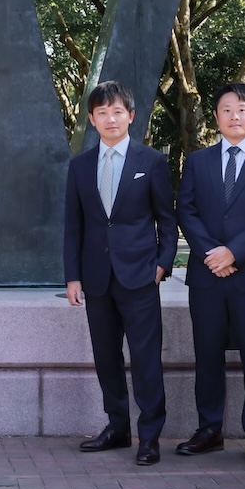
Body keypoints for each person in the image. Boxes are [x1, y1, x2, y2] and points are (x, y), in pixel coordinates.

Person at [64, 80, 178, 467]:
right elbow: (74, 225)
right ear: (92, 119)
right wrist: (73, 276)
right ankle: (117, 427)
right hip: (97, 278)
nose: (110, 118)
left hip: (140, 277)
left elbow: (167, 220)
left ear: (130, 116)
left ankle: (150, 436)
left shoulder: (151, 162)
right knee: (106, 357)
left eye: (117, 112)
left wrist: (162, 265)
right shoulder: (80, 166)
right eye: (102, 112)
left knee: (145, 359)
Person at [174, 82, 245, 463]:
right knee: (207, 354)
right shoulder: (197, 161)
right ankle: (209, 430)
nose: (234, 116)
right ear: (216, 116)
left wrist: (234, 252)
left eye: (241, 109)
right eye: (226, 109)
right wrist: (212, 254)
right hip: (206, 275)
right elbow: (186, 210)